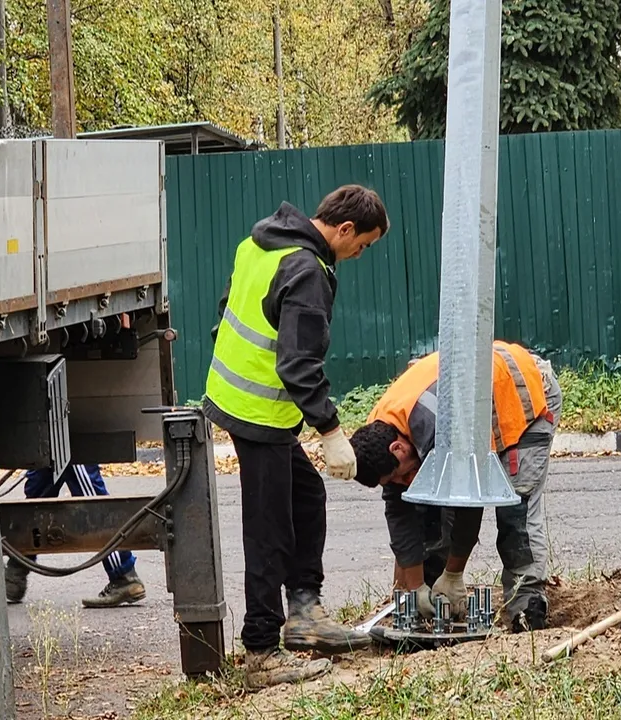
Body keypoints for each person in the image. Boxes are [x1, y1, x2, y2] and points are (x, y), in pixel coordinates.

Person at [204, 185, 389, 689]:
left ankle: (305, 613)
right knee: (270, 531)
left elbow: (226, 308)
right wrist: (331, 430)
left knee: (306, 497)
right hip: (258, 413)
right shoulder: (307, 271)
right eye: (362, 245)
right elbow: (298, 364)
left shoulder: (259, 243)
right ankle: (261, 651)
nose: (359, 254)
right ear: (344, 228)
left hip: (238, 399)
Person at [349, 341, 561, 633]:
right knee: (425, 501)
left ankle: (526, 604)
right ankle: (430, 598)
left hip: (521, 391)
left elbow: (469, 501)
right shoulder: (379, 435)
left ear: (398, 448)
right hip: (474, 398)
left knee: (515, 509)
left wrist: (454, 574)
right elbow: (399, 509)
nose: (402, 482)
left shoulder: (439, 426)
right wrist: (415, 586)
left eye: (400, 475)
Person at [4, 463, 147, 608]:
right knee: (39, 485)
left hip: (73, 448)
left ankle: (124, 575)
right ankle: (18, 567)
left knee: (91, 498)